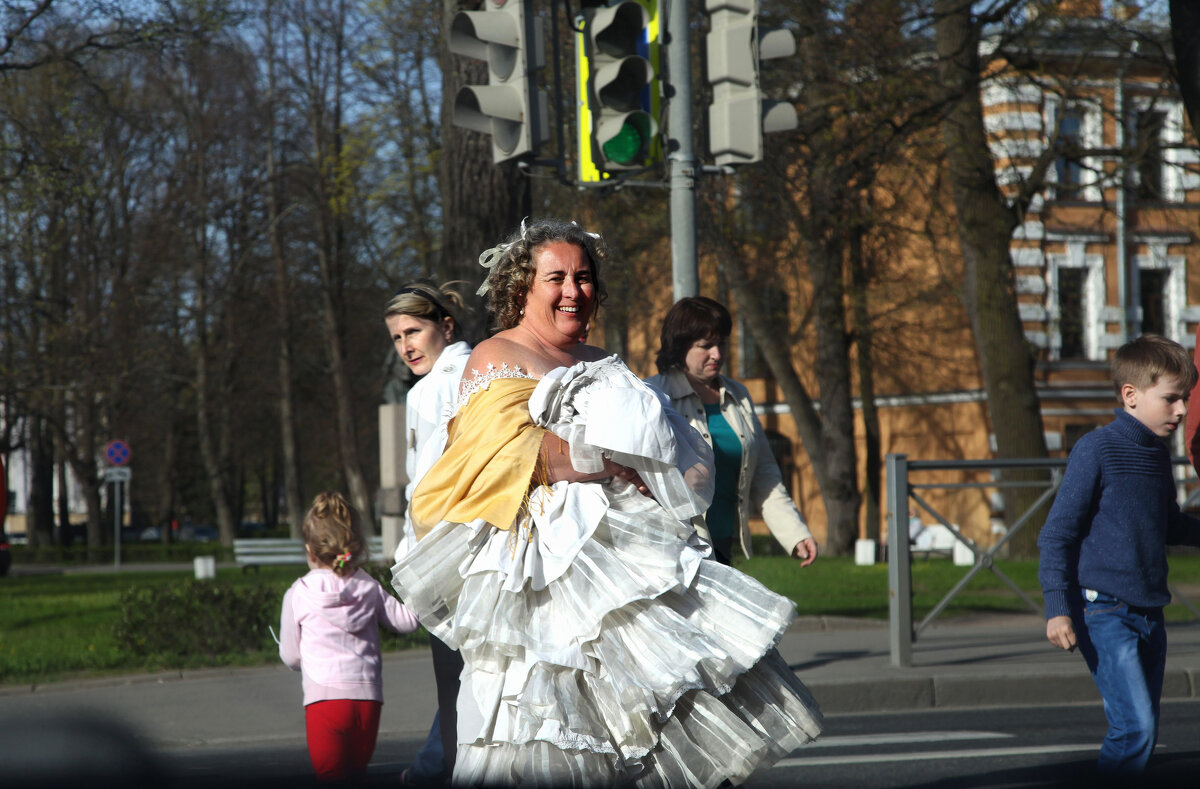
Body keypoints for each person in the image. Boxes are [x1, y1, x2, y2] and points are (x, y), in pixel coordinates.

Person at [391, 218, 822, 786]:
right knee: (546, 724)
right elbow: (501, 454)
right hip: (545, 578)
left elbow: (676, 449)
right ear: (522, 286)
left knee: (649, 723)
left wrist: (664, 467)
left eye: (584, 277)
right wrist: (613, 461)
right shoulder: (497, 355)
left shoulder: (600, 357)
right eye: (556, 278)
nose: (574, 290)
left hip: (633, 561)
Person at [1038, 334, 1200, 776]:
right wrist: (1057, 608)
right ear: (1130, 395)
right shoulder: (1097, 449)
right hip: (1104, 611)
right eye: (1171, 399)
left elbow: (1169, 524)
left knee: (1139, 737)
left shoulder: (1157, 456)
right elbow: (1056, 535)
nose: (1182, 410)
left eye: (1185, 398)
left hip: (1151, 612)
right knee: (1134, 731)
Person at [645, 297, 818, 567]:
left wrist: (795, 533)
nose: (717, 354)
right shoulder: (653, 396)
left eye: (722, 343)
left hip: (722, 544)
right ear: (679, 347)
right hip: (672, 546)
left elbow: (764, 474)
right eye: (705, 346)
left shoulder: (739, 395)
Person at [384, 282, 472, 784]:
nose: (406, 346)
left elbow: (429, 489)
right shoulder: (474, 369)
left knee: (456, 691)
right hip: (475, 551)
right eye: (397, 338)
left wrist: (411, 558)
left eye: (413, 330)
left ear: (445, 325)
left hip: (450, 560)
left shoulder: (434, 388)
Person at [280, 491, 420, 783]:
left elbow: (290, 656)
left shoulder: (298, 593)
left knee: (330, 776)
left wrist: (301, 661)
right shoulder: (367, 586)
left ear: (310, 550)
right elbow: (407, 622)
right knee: (357, 775)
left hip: (324, 698)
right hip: (367, 699)